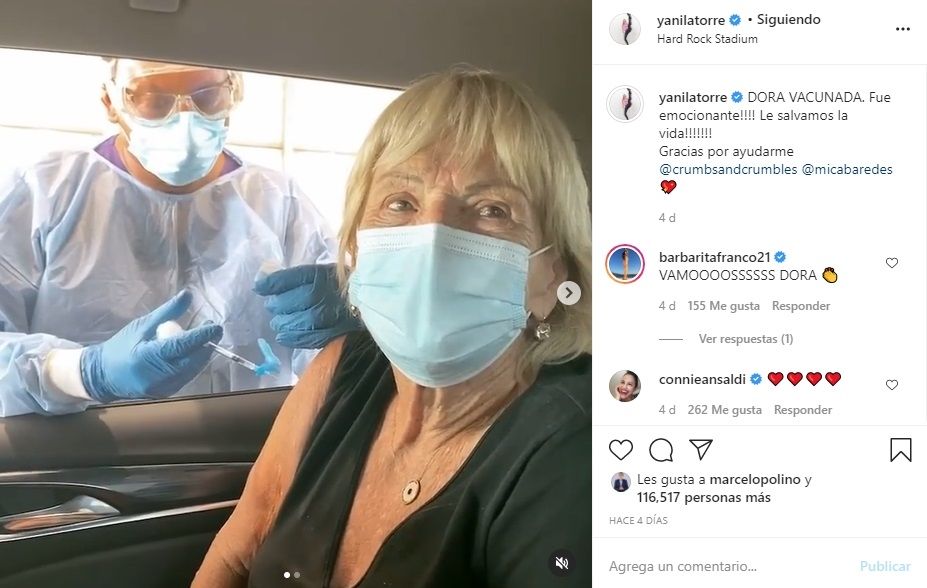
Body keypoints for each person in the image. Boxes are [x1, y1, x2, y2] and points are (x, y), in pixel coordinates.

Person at [192, 66, 592, 587]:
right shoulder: (341, 368)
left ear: (553, 275)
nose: (432, 238)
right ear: (357, 248)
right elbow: (236, 554)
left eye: (492, 210)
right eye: (400, 203)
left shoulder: (574, 449)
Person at [0, 59, 354, 417]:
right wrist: (85, 373)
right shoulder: (45, 191)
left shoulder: (279, 202)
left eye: (207, 96)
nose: (186, 119)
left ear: (234, 93)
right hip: (81, 446)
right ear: (110, 102)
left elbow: (336, 370)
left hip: (248, 439)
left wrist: (353, 318)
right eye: (154, 100)